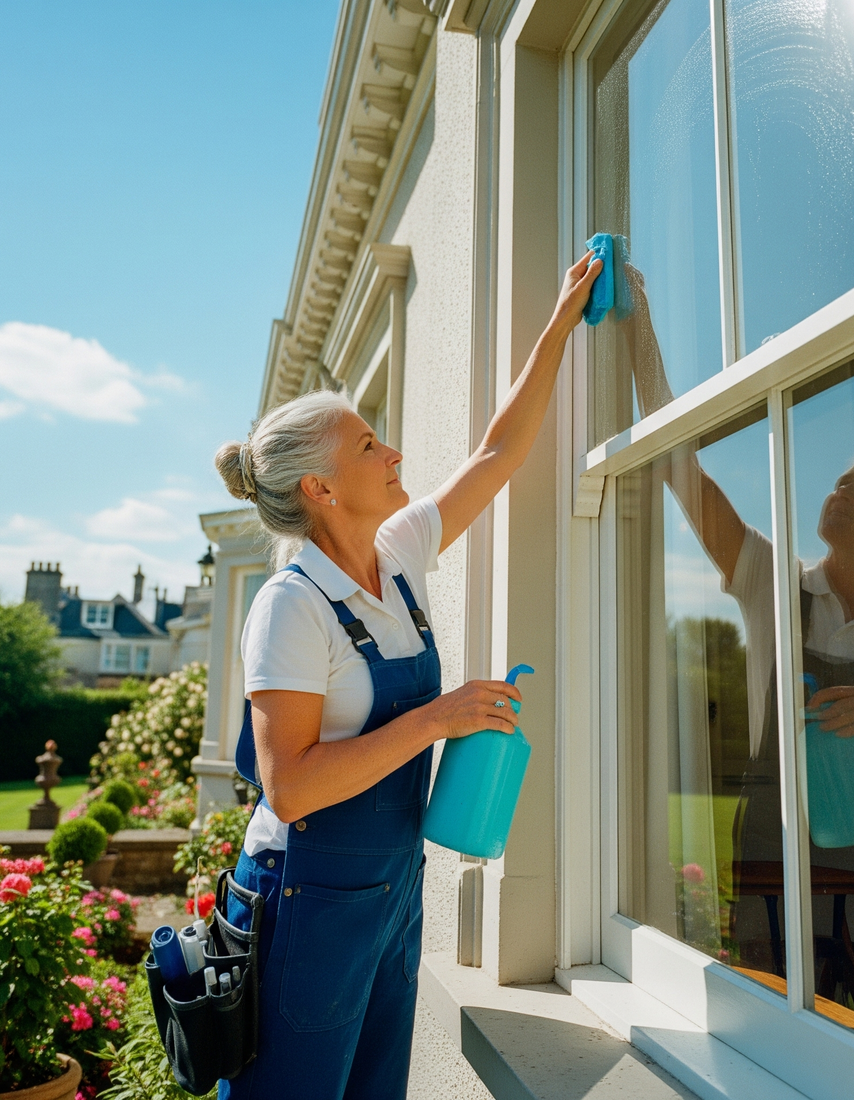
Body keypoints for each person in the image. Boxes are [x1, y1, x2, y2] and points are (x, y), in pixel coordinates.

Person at [211, 251, 602, 1100]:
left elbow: (497, 455)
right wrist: (437, 719)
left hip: (389, 889)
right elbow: (289, 790)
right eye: (367, 444)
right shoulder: (292, 606)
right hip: (304, 900)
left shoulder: (398, 557)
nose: (391, 452)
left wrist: (560, 325)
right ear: (320, 487)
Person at [618, 264, 854, 988]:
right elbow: (677, 465)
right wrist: (640, 329)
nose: (841, 489)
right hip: (771, 886)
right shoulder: (771, 583)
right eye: (843, 479)